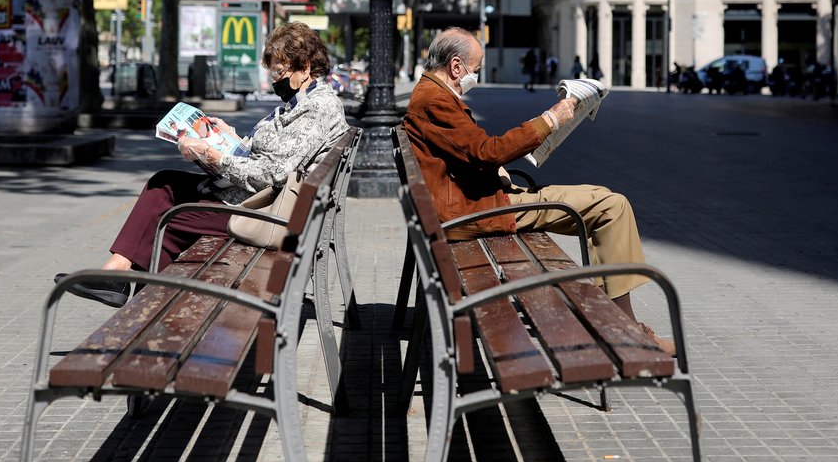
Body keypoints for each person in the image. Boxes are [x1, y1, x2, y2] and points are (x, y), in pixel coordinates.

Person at [403, 27, 675, 354]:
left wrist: (493, 166)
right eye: (475, 70)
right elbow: (485, 151)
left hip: (473, 200)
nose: (475, 76)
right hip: (475, 212)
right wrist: (550, 119)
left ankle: (618, 324)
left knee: (600, 197)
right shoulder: (435, 100)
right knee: (611, 206)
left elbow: (470, 152)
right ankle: (626, 332)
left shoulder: (428, 93)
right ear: (456, 66)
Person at [55, 22, 349, 308]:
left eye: (280, 71)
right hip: (256, 199)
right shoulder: (301, 101)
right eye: (272, 72)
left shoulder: (318, 107)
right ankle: (125, 283)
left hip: (265, 213)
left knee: (166, 219)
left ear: (306, 67)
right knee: (164, 184)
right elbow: (275, 156)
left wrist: (216, 157)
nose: (275, 81)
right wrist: (230, 140)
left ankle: (143, 304)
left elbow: (272, 173)